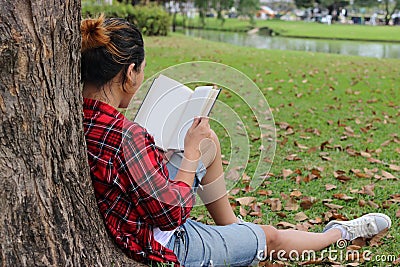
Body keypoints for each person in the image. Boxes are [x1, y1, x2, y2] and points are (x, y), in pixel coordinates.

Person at [81, 16, 392, 267]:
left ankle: (233, 230)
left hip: (134, 217)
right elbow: (171, 214)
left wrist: (174, 153)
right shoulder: (125, 134)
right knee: (271, 237)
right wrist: (187, 153)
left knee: (208, 142)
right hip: (160, 242)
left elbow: (126, 178)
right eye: (142, 71)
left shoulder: (78, 116)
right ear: (130, 72)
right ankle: (339, 233)